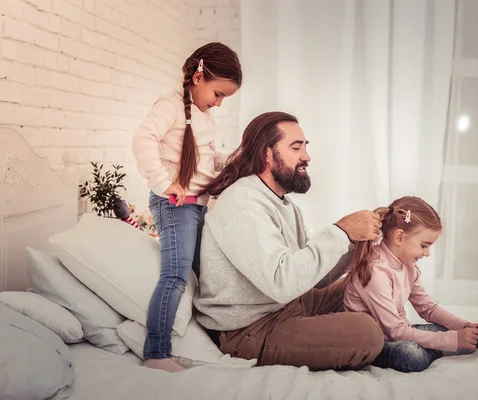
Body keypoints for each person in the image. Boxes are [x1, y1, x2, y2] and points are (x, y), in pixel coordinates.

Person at [194, 111, 385, 370]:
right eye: (296, 148)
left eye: (305, 147)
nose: (306, 156)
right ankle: (384, 345)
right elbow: (281, 282)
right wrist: (342, 231)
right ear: (267, 154)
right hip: (250, 329)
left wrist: (356, 241)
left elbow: (312, 278)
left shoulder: (281, 202)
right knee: (365, 333)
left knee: (371, 282)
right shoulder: (244, 203)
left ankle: (399, 336)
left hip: (286, 305)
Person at [132, 42, 242, 372]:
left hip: (199, 206)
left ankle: (212, 340)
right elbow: (143, 139)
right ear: (198, 77)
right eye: (218, 93)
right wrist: (164, 182)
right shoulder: (169, 106)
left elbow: (207, 157)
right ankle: (156, 353)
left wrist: (232, 162)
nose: (219, 103)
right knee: (175, 276)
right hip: (174, 205)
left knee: (209, 275)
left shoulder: (204, 116)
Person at [344, 196, 478, 373]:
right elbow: (396, 332)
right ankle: (433, 351)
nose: (427, 253)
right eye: (424, 245)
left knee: (470, 339)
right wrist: (453, 340)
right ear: (399, 236)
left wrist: (465, 326)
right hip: (377, 344)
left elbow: (428, 308)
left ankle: (435, 348)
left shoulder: (408, 266)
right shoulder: (375, 270)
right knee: (410, 355)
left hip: (398, 333)